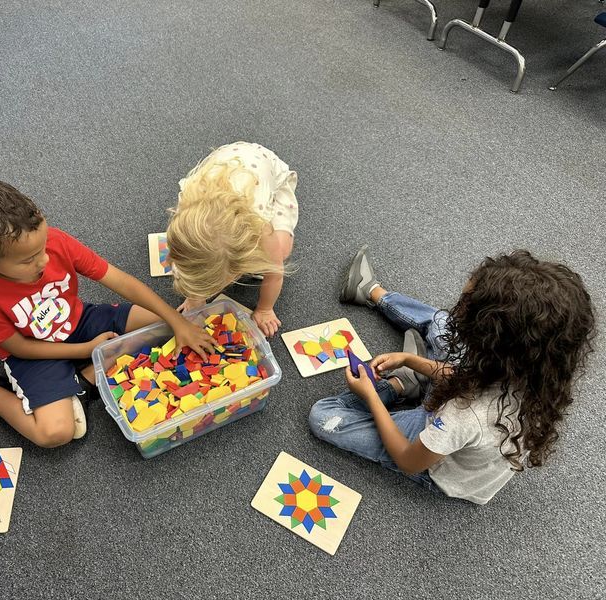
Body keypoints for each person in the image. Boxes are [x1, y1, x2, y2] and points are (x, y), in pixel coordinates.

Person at [0, 179, 214, 447]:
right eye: (28, 260)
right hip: (33, 352)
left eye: (43, 246)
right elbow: (19, 347)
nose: (44, 260)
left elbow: (121, 281)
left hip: (79, 321)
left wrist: (177, 321)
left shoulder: (54, 241)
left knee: (162, 324)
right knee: (56, 434)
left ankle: (84, 380)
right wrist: (87, 349)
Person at [309, 247, 596, 504]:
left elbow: (409, 460)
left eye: (466, 309)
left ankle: (398, 386)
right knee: (443, 324)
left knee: (323, 417)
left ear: (490, 339)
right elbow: (467, 376)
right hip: (463, 404)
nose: (458, 310)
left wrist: (372, 395)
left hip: (432, 458)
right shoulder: (537, 369)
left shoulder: (465, 415)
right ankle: (374, 294)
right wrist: (412, 360)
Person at [166, 141, 298, 336]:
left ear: (238, 268)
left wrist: (265, 309)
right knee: (197, 259)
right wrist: (195, 298)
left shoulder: (261, 226)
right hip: (223, 167)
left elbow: (275, 273)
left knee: (280, 250)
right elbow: (183, 262)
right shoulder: (185, 219)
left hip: (269, 170)